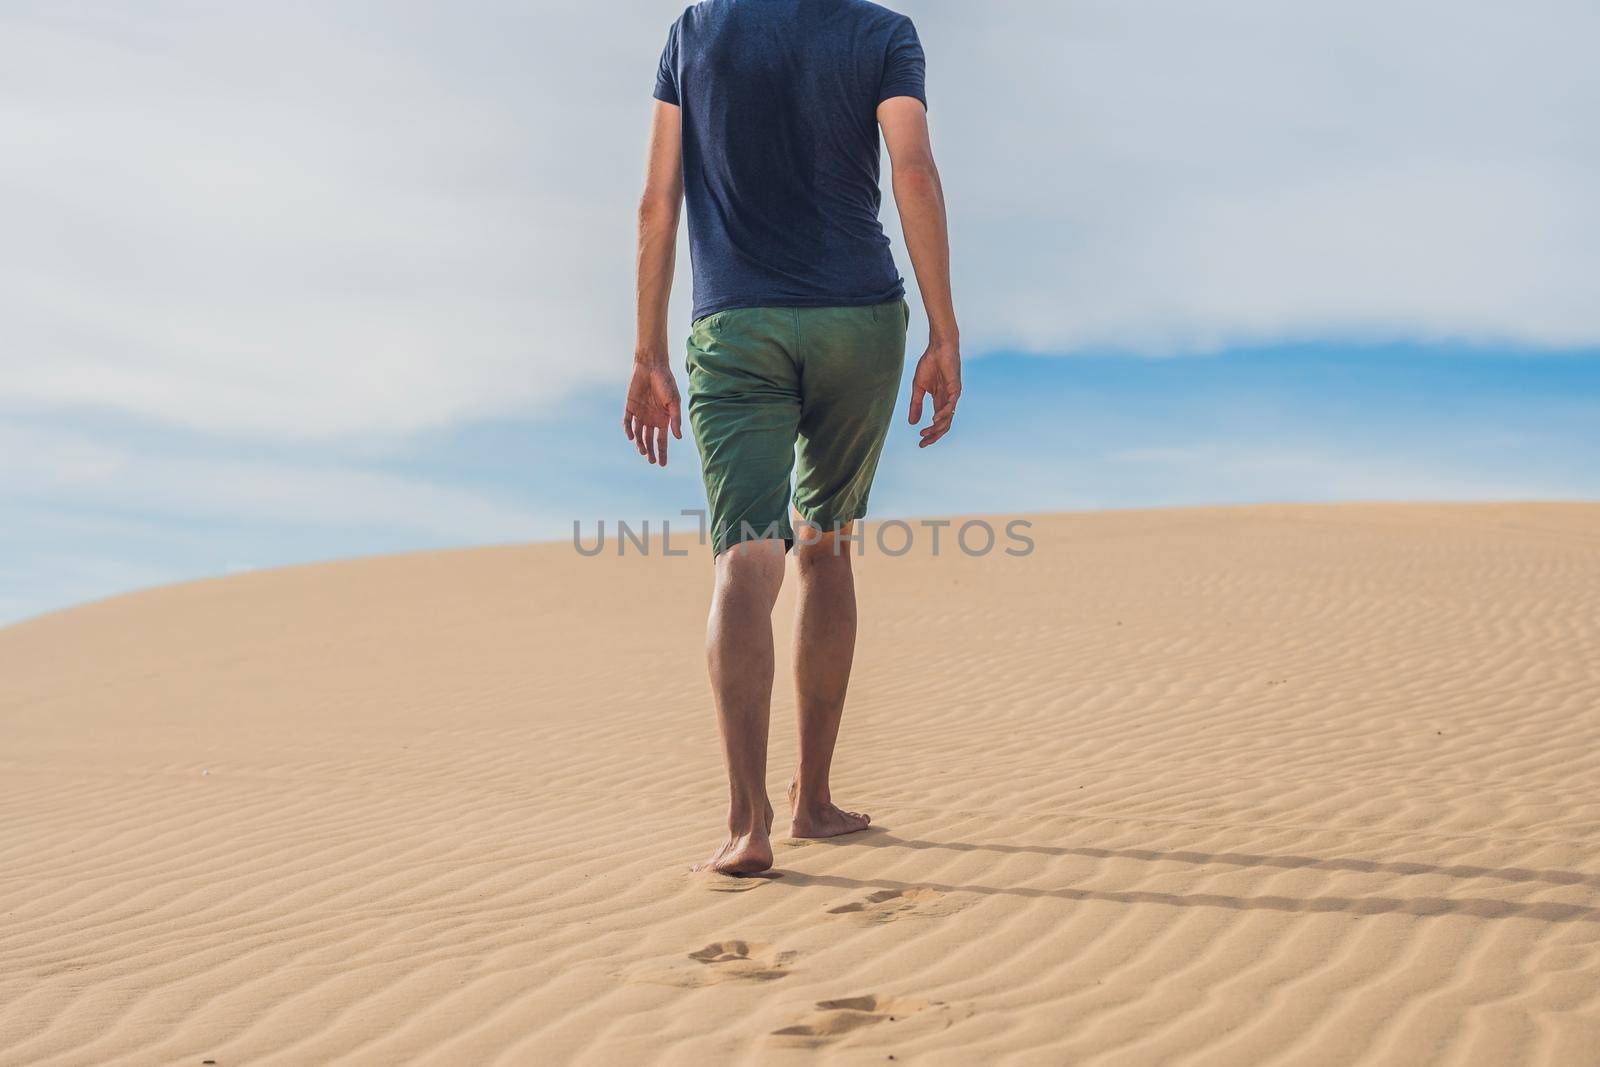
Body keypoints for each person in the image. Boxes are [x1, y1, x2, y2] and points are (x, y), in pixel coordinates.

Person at [623, 0, 960, 874]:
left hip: (734, 325)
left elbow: (658, 201)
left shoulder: (695, 34)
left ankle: (749, 822)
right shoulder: (883, 33)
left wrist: (648, 353)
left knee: (745, 557)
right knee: (828, 546)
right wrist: (944, 330)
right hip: (861, 319)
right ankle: (814, 798)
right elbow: (913, 171)